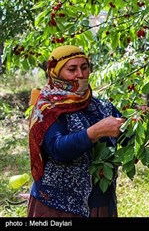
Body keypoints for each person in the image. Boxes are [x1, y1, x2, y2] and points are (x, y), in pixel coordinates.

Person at [27, 45, 128, 217]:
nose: (80, 74)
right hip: (58, 205)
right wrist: (95, 132)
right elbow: (57, 148)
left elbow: (126, 137)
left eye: (84, 67)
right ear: (56, 73)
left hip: (99, 201)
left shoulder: (102, 106)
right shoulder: (48, 107)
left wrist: (141, 119)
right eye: (72, 69)